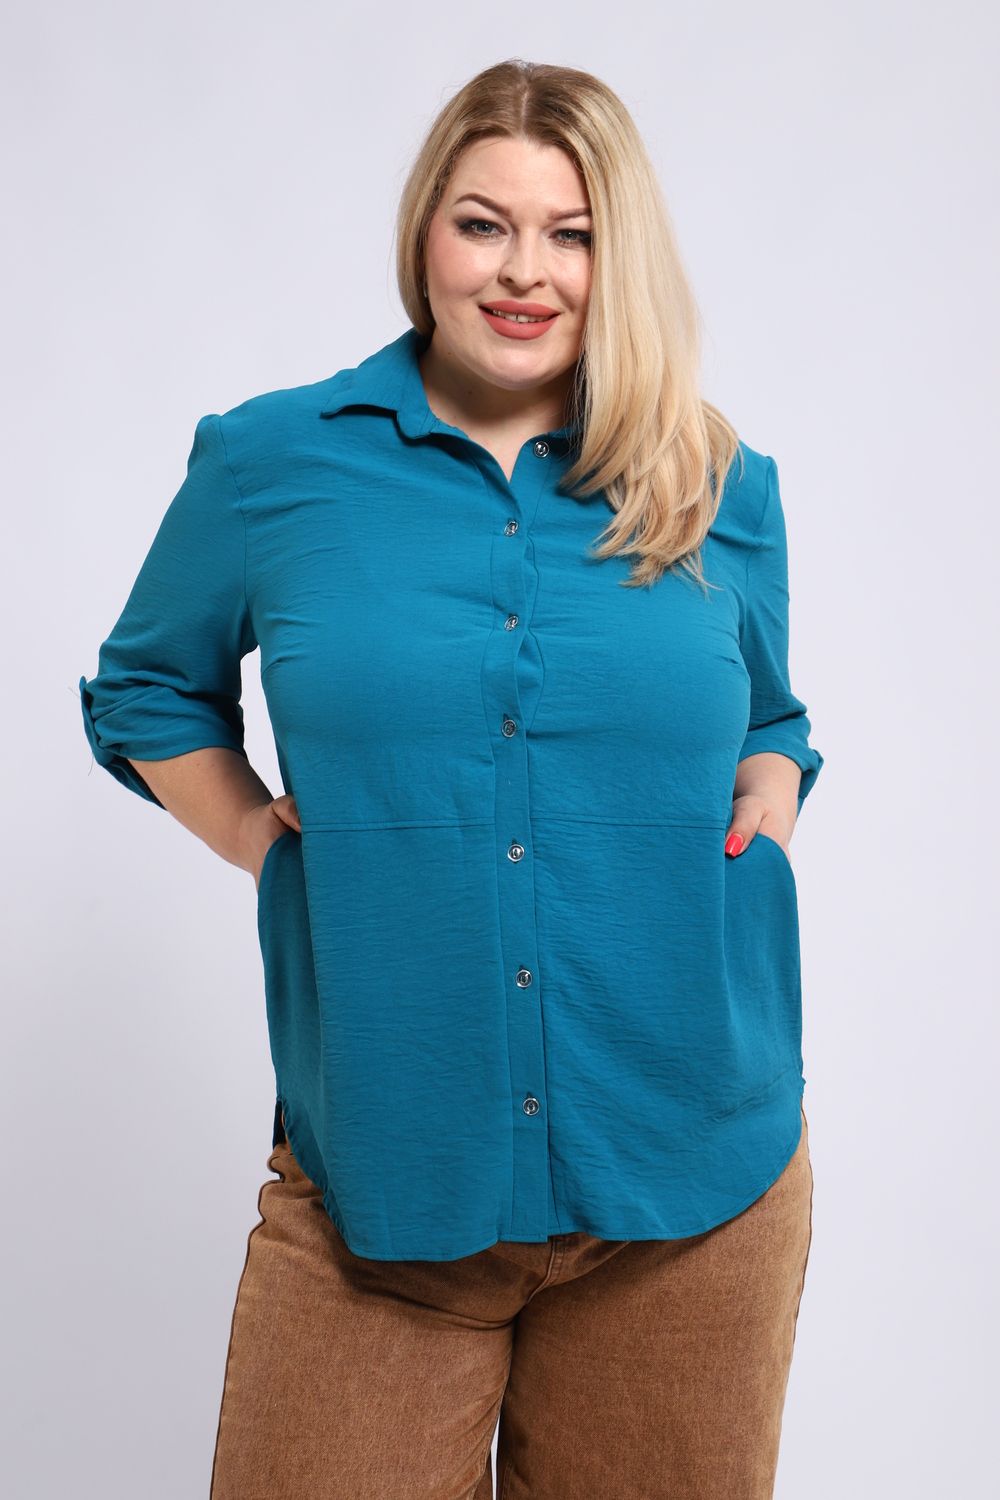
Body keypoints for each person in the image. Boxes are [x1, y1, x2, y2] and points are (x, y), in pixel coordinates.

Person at [78, 57, 824, 1500]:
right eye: (485, 224)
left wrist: (774, 789)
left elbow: (770, 714)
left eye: (573, 234)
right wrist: (267, 839)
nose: (524, 271)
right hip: (382, 1172)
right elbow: (145, 687)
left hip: (694, 1176)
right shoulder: (271, 463)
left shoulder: (714, 475)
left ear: (620, 256)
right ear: (426, 232)